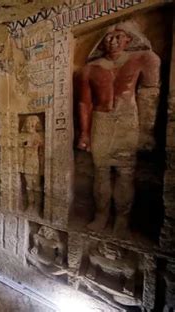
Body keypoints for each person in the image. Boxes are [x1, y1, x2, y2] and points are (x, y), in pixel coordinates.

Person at [76, 21, 160, 235]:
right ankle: (101, 215)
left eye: (118, 37)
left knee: (125, 173)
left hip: (127, 120)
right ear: (102, 43)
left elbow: (149, 95)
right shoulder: (90, 69)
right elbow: (85, 103)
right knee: (101, 172)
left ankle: (122, 219)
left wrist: (146, 131)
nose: (113, 41)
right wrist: (84, 133)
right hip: (101, 121)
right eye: (108, 38)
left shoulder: (143, 60)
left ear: (128, 40)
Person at [18, 115, 44, 214]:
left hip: (35, 163)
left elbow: (42, 150)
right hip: (26, 163)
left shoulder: (39, 136)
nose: (29, 126)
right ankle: (30, 204)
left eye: (31, 124)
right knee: (28, 185)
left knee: (36, 185)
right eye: (28, 124)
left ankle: (37, 205)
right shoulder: (22, 136)